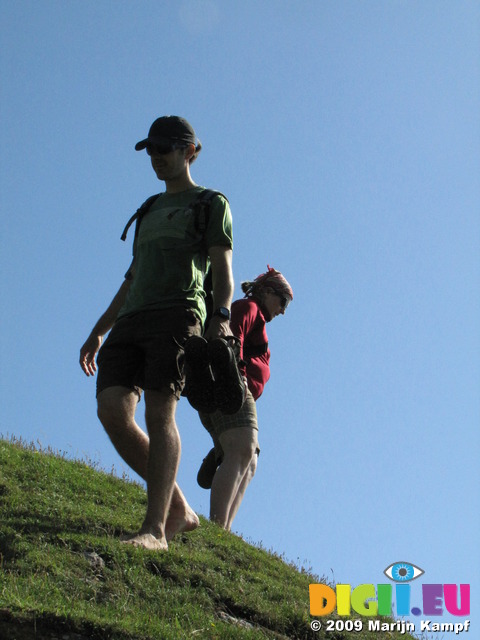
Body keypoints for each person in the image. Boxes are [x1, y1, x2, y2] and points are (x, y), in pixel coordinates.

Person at [79, 115, 234, 551]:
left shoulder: (210, 203)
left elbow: (223, 270)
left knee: (159, 413)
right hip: (131, 320)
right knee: (112, 410)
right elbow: (131, 278)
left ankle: (155, 530)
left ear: (190, 152)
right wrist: (98, 330)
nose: (156, 158)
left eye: (164, 149)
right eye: (150, 150)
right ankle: (181, 509)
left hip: (179, 314)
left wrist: (220, 318)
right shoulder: (147, 210)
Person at [196, 266, 293, 531]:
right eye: (282, 301)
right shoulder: (249, 308)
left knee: (250, 460)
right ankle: (216, 527)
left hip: (235, 389)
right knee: (241, 449)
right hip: (231, 387)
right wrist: (235, 373)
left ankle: (223, 528)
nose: (283, 310)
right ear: (266, 291)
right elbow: (232, 332)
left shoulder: (257, 315)